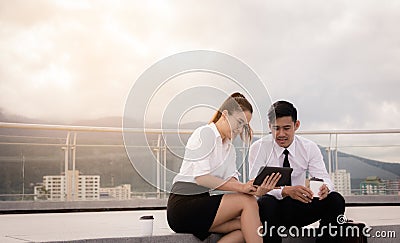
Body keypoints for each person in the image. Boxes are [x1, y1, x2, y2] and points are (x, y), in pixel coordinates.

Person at [167, 92, 281, 243]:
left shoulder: (229, 148)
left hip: (202, 204)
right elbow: (201, 178)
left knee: (248, 225)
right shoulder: (205, 133)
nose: (240, 129)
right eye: (239, 122)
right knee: (248, 203)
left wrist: (255, 189)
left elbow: (233, 182)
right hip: (184, 205)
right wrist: (242, 189)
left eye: (244, 126)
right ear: (225, 114)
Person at [249, 100, 345, 243]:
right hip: (272, 211)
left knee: (335, 199)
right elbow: (255, 187)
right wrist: (286, 191)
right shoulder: (258, 148)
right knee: (266, 202)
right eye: (276, 128)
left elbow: (324, 178)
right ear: (269, 126)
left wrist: (325, 188)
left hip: (301, 206)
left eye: (286, 128)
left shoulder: (309, 147)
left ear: (296, 125)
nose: (281, 134)